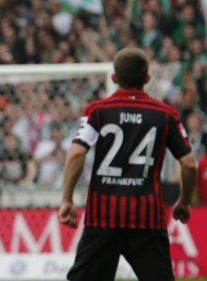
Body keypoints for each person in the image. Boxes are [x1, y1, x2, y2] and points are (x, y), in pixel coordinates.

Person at [58, 47, 197, 281]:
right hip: (147, 218)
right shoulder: (166, 114)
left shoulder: (97, 111)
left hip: (103, 215)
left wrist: (67, 199)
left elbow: (75, 154)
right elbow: (189, 163)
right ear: (147, 79)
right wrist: (183, 202)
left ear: (114, 78)